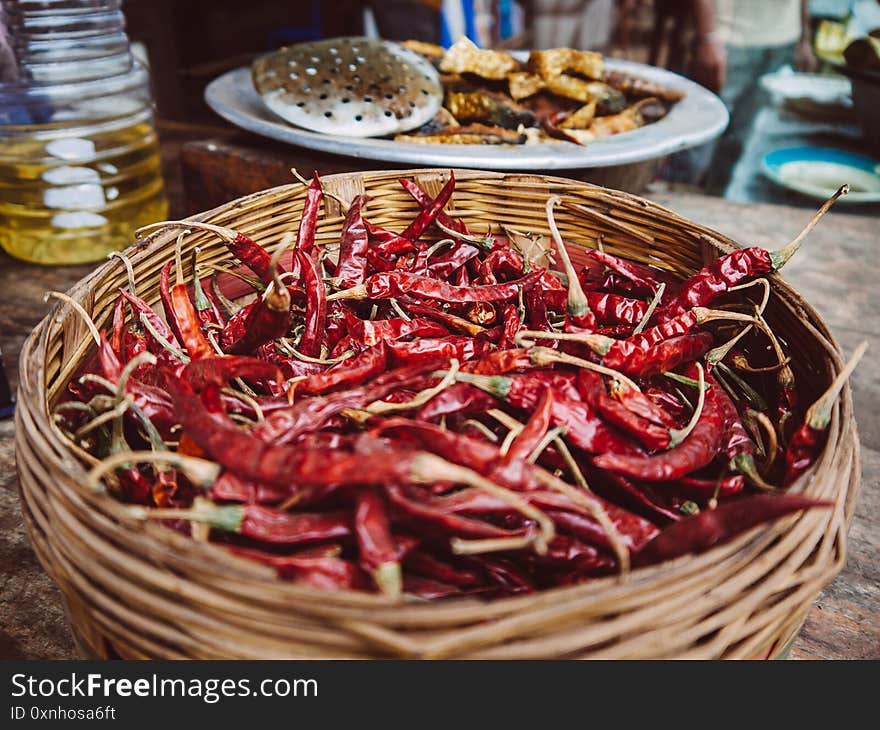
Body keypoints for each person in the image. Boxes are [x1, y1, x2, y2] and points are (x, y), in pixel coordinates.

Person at [688, 0, 817, 194]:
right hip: (731, 37)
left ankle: (714, 197)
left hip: (784, 38)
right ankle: (672, 204)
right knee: (698, 139)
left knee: (741, 138)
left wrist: (804, 38)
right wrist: (708, 37)